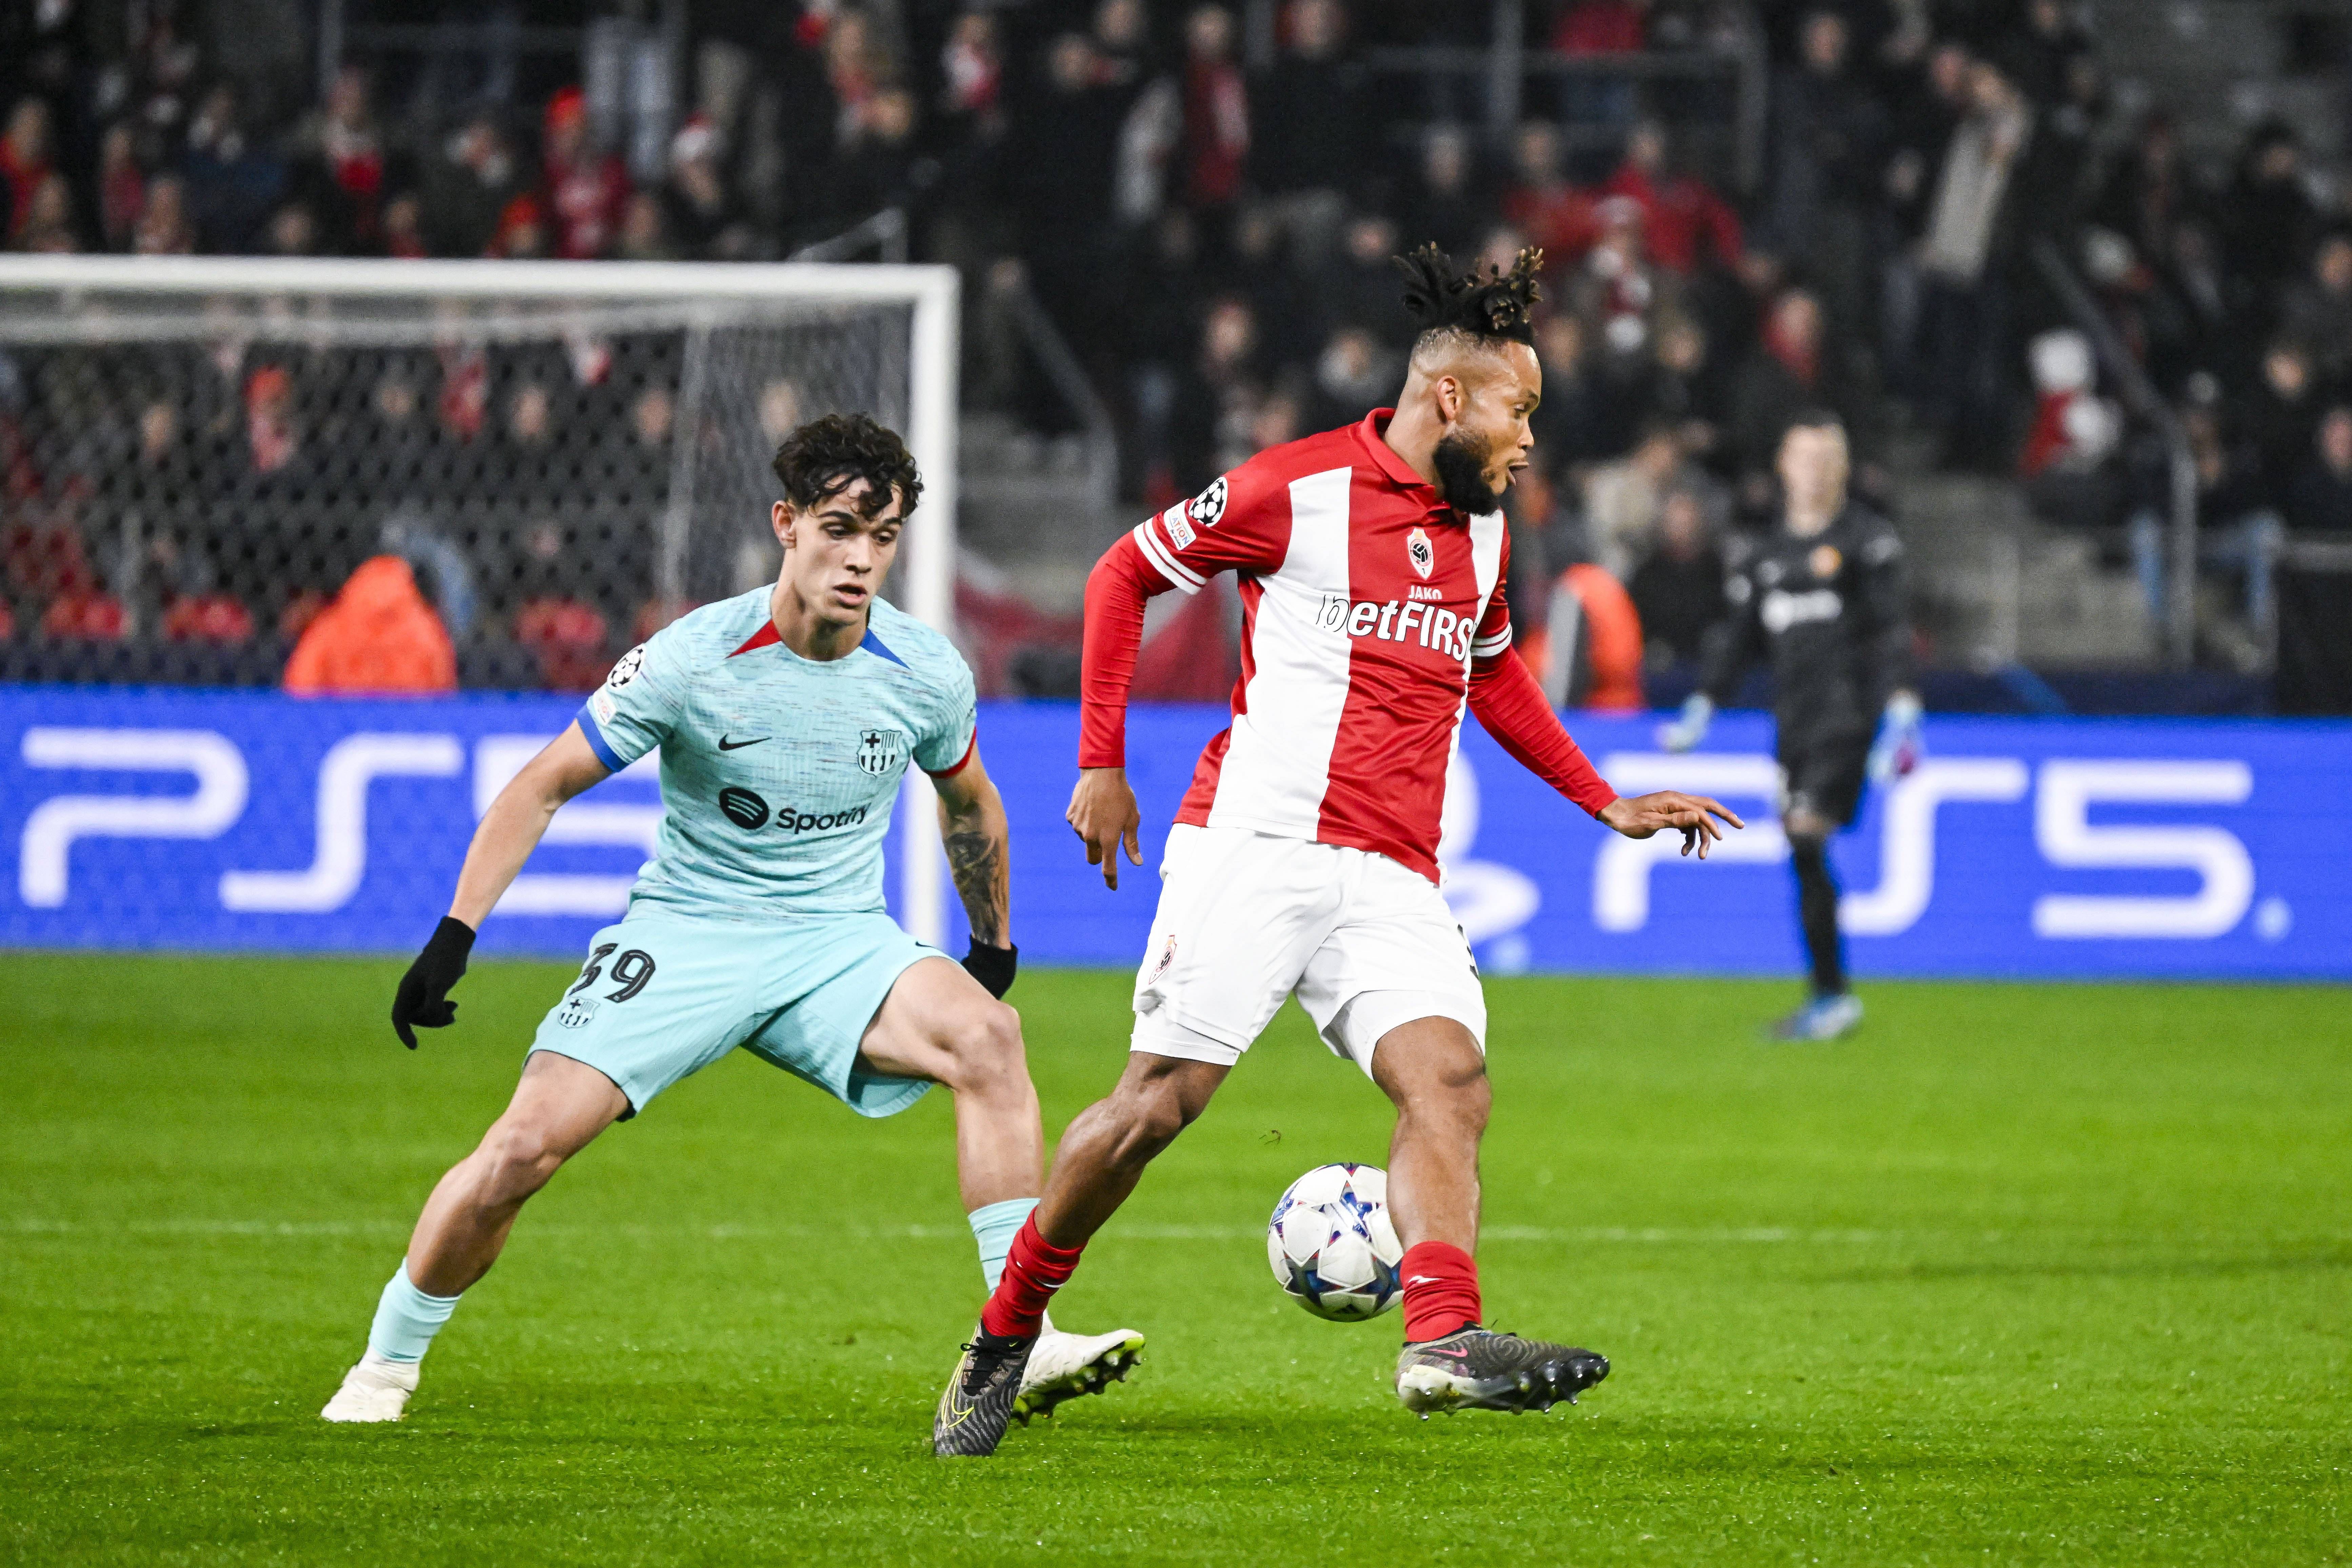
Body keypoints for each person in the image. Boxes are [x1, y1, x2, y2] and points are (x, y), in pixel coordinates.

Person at [928, 246, 1743, 1457]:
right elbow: (1122, 573)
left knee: (1450, 1082)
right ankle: (1000, 1340)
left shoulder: (1482, 530)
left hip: (1391, 870)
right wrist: (1099, 757)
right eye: (1519, 409)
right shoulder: (1290, 488)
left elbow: (1491, 669)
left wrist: (1601, 801)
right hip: (1257, 842)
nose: (1528, 440)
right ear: (1449, 398)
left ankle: (1440, 1340)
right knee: (1155, 1107)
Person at [320, 416, 1141, 1427]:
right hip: (688, 934)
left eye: (882, 538)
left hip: (836, 939)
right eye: (838, 528)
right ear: (785, 524)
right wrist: (456, 935)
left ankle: (1020, 1335)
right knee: (521, 1151)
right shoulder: (694, 656)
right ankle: (386, 1365)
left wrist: (992, 945)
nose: (859, 557)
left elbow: (969, 801)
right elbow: (541, 786)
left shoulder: (926, 670)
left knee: (989, 1035)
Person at [1660, 413, 1920, 1042]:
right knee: (1801, 851)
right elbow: (1735, 640)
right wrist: (1703, 702)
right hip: (1793, 724)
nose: (1814, 471)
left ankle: (1833, 999)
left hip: (1846, 718)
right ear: (1783, 465)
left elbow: (1890, 631)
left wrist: (1901, 707)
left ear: (1843, 468)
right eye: (1803, 458)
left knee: (1806, 835)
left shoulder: (1866, 542)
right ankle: (1827, 994)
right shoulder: (1766, 555)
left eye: (1826, 459)